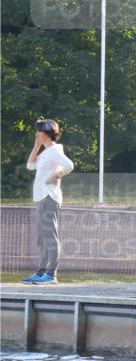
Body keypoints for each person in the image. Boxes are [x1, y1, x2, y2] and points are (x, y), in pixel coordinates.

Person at [23, 118, 73, 284]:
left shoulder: (55, 151)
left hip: (50, 197)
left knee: (50, 236)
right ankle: (41, 272)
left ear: (48, 133)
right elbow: (30, 165)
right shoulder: (45, 152)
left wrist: (56, 176)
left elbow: (69, 165)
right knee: (42, 238)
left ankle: (51, 274)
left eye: (39, 131)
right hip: (42, 198)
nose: (36, 133)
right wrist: (36, 146)